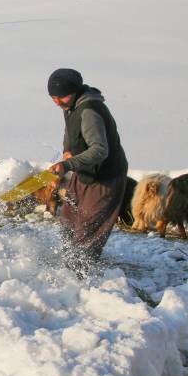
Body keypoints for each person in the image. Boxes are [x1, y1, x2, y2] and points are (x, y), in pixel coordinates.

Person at [46, 68, 129, 273]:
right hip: (85, 171)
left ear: (74, 91)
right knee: (68, 218)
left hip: (104, 177)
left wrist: (67, 165)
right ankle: (68, 262)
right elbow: (70, 131)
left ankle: (81, 273)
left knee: (87, 227)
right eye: (53, 97)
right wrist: (67, 150)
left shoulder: (90, 111)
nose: (57, 102)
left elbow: (100, 150)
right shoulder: (71, 106)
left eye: (61, 96)